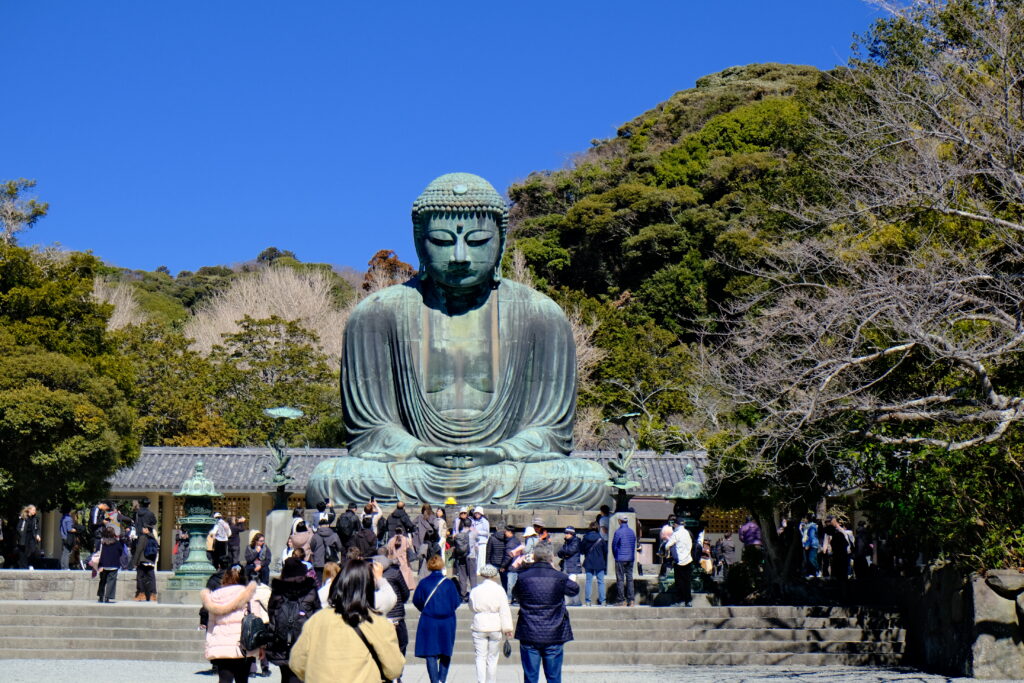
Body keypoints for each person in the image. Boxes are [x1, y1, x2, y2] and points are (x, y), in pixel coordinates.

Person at [289, 558, 405, 683]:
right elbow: (394, 669)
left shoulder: (317, 620)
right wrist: (380, 579)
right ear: (368, 588)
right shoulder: (377, 623)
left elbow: (297, 662)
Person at [513, 543, 579, 683]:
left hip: (529, 630)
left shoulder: (523, 577)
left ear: (535, 557)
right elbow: (574, 590)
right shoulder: (558, 577)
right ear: (551, 557)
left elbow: (516, 594)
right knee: (553, 677)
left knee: (530, 677)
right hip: (553, 631)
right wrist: (555, 569)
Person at [201, 567, 267, 683]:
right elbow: (257, 623)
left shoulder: (215, 597)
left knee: (224, 680)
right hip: (243, 644)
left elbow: (211, 625)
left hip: (222, 644)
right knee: (242, 680)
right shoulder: (249, 595)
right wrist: (261, 647)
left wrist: (209, 646)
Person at [267, 557, 321, 683]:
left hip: (281, 641)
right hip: (304, 639)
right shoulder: (310, 589)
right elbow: (317, 613)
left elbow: (271, 613)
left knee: (286, 676)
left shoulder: (278, 590)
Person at [413, 554, 462, 683]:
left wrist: (425, 609)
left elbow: (416, 600)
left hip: (429, 620)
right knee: (446, 651)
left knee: (431, 652)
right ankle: (442, 679)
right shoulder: (449, 584)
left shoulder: (424, 583)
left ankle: (434, 680)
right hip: (447, 621)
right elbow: (456, 602)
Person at [469, 564, 513, 683]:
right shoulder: (499, 590)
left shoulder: (475, 590)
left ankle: (481, 681)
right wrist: (507, 628)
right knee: (493, 657)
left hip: (480, 624)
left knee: (480, 656)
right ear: (494, 575)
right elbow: (504, 610)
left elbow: (472, 607)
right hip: (495, 624)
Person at [382, 544, 412, 672]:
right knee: (402, 643)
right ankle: (397, 671)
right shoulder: (394, 572)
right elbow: (405, 591)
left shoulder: (370, 573)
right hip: (396, 614)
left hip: (382, 615)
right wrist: (401, 601)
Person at [665, 522, 693, 607]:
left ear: (677, 525)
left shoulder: (676, 534)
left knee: (679, 582)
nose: (673, 526)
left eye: (674, 524)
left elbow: (668, 545)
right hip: (688, 559)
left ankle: (679, 600)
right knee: (687, 581)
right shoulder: (688, 533)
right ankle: (688, 601)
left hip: (679, 561)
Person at [579, 521, 607, 606]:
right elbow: (605, 551)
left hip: (589, 561)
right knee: (601, 581)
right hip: (599, 562)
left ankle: (588, 601)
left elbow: (582, 550)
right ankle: (603, 601)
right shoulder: (601, 539)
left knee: (588, 581)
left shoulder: (585, 538)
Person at [611, 514, 637, 606]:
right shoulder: (632, 532)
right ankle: (631, 600)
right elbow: (633, 544)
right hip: (630, 558)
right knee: (630, 579)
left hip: (620, 558)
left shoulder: (618, 532)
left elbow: (614, 545)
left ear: (619, 521)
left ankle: (621, 600)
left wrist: (616, 555)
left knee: (620, 579)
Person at [310, 517, 342, 584]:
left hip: (318, 561)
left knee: (319, 581)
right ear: (328, 525)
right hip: (331, 561)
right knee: (333, 580)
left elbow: (312, 547)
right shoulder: (334, 535)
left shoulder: (315, 536)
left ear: (319, 526)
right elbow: (339, 547)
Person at [96, 525, 124, 603]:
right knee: (111, 581)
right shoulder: (117, 543)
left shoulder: (101, 543)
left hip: (102, 565)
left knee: (102, 581)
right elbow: (120, 552)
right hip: (114, 564)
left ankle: (101, 596)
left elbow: (97, 552)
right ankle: (107, 597)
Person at [557, 526, 582, 606]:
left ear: (572, 534)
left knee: (572, 585)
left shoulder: (576, 541)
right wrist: (564, 553)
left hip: (573, 566)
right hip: (566, 566)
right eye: (566, 533)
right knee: (566, 584)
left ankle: (576, 602)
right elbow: (560, 553)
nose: (566, 535)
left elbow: (570, 551)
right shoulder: (566, 542)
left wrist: (564, 552)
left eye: (567, 533)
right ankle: (569, 601)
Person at [134, 525, 159, 601]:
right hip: (150, 561)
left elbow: (139, 550)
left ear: (146, 530)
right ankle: (153, 595)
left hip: (143, 560)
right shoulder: (153, 538)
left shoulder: (143, 537)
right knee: (151, 578)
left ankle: (142, 594)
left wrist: (135, 561)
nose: (142, 529)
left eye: (144, 528)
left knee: (140, 577)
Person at [16, 505, 41, 569]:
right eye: (33, 510)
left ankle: (30, 564)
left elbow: (37, 528)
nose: (35, 512)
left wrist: (37, 535)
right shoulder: (24, 517)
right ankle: (23, 566)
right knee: (23, 552)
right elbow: (19, 528)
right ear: (29, 510)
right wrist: (21, 535)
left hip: (31, 537)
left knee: (33, 551)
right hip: (24, 537)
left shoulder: (35, 518)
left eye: (35, 510)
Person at [470, 507, 490, 575]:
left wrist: (478, 532)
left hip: (482, 541)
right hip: (475, 541)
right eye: (475, 513)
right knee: (476, 556)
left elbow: (487, 532)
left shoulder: (485, 521)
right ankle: (476, 569)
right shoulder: (473, 521)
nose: (476, 515)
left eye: (478, 513)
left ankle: (481, 570)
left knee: (481, 557)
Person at [59, 504, 77, 570]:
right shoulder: (69, 519)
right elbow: (69, 529)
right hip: (68, 537)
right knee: (67, 552)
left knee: (64, 552)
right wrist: (76, 529)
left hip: (63, 536)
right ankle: (66, 567)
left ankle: (63, 566)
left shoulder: (63, 518)